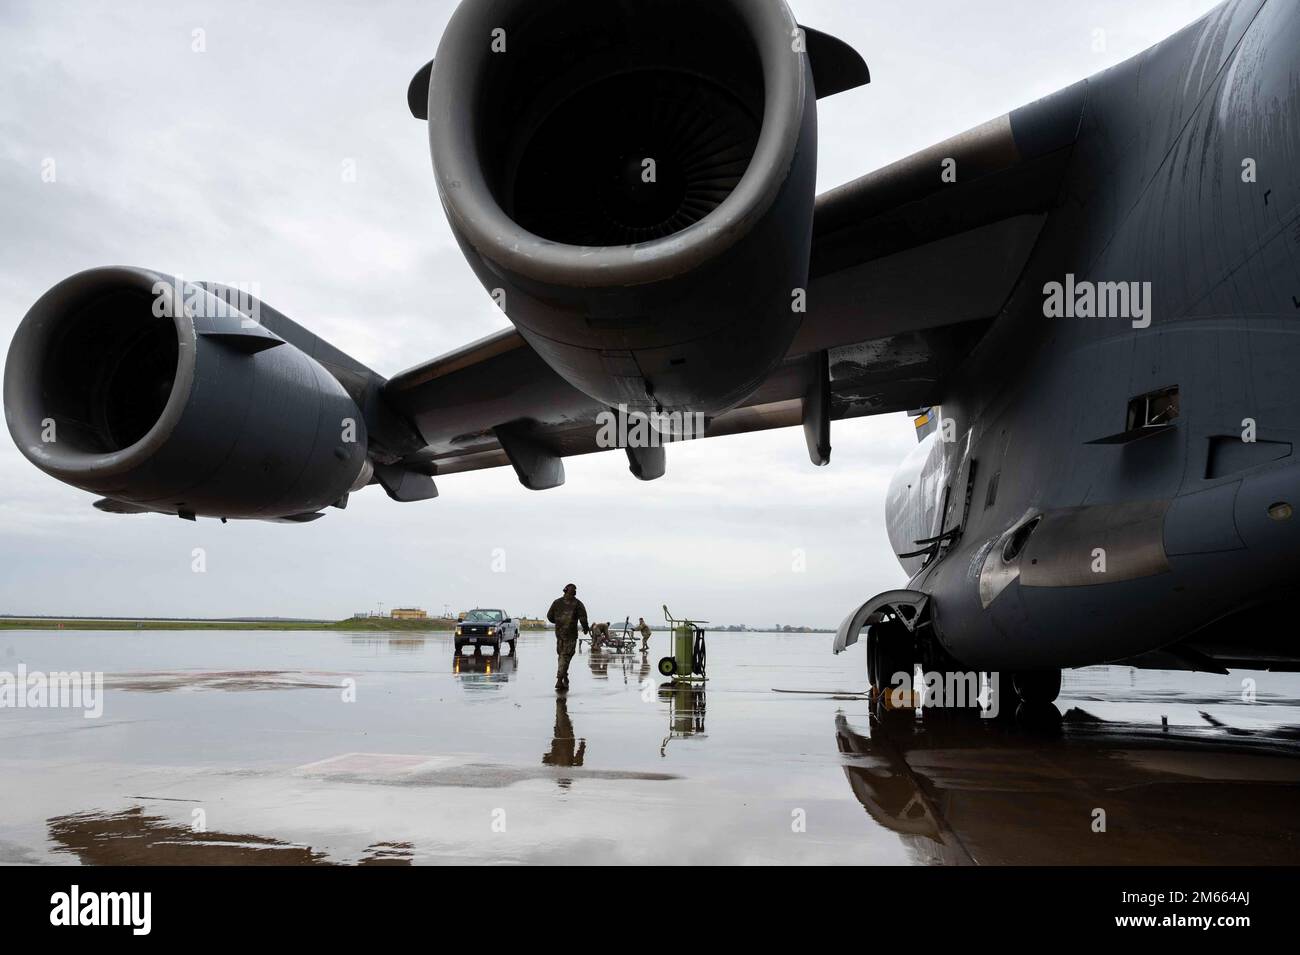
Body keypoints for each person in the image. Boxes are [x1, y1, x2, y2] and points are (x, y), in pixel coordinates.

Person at [547, 583, 589, 691]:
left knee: (562, 655)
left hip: (559, 634)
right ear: (574, 592)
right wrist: (585, 629)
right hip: (570, 635)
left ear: (565, 590)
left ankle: (564, 675)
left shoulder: (557, 602)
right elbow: (583, 618)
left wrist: (558, 622)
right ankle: (559, 679)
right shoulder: (577, 603)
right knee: (566, 656)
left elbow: (549, 616)